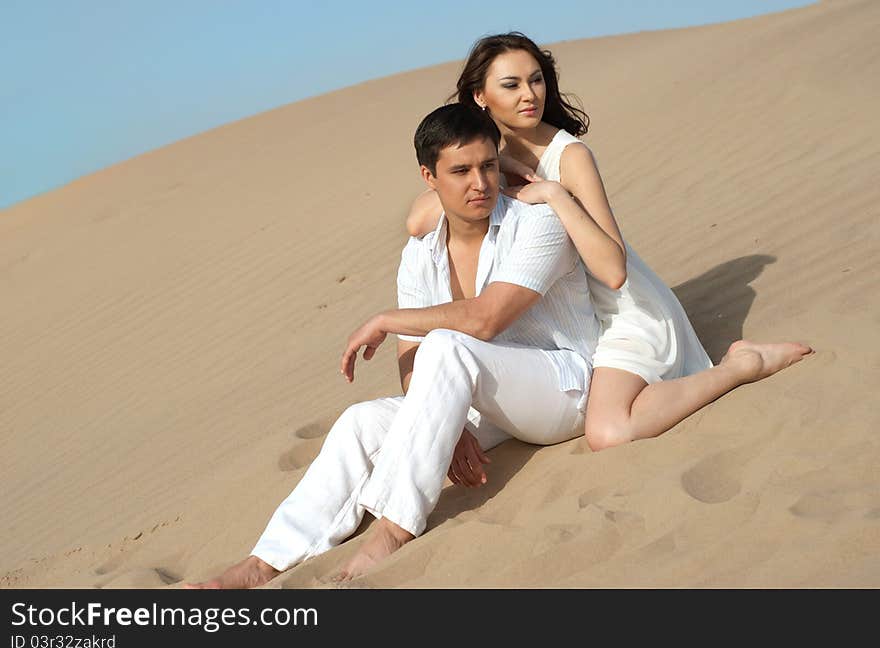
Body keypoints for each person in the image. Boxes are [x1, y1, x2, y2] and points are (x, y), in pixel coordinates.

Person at [187, 102, 602, 589]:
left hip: (564, 390)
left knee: (447, 346)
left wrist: (386, 319)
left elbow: (486, 319)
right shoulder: (421, 254)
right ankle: (262, 564)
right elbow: (412, 355)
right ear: (430, 176)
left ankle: (392, 529)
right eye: (461, 171)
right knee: (360, 423)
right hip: (484, 396)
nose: (481, 183)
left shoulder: (537, 224)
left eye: (489, 166)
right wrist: (442, 421)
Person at [405, 33, 813, 457]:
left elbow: (614, 270)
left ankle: (742, 366)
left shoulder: (569, 157)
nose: (530, 95)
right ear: (480, 96)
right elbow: (418, 220)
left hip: (622, 315)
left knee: (609, 432)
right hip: (573, 328)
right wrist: (503, 164)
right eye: (512, 85)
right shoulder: (484, 162)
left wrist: (556, 196)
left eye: (537, 80)